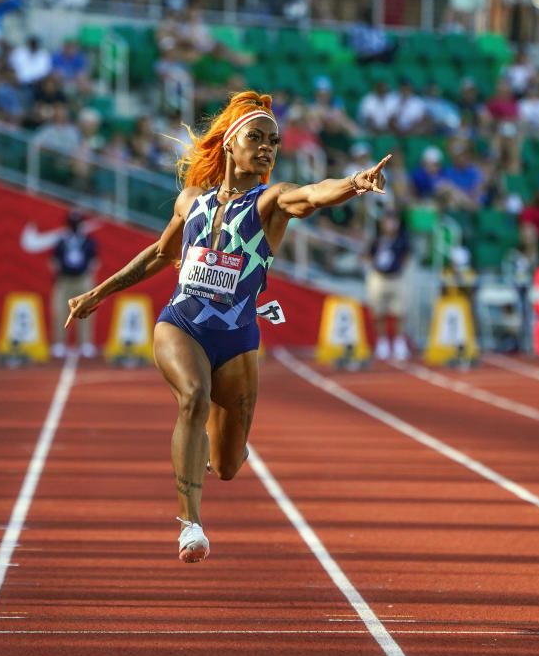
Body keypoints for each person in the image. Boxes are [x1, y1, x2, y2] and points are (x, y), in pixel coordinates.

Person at [66, 91, 390, 563]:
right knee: (193, 398)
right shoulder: (191, 200)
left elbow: (313, 193)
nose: (267, 149)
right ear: (229, 145)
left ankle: (206, 457)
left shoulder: (271, 202)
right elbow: (160, 255)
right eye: (256, 138)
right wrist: (100, 292)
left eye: (274, 142)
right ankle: (190, 525)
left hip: (237, 337)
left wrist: (355, 183)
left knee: (228, 463)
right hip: (182, 321)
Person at [50, 210, 99, 358]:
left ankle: (85, 343)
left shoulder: (88, 241)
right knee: (60, 311)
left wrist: (87, 274)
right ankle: (59, 343)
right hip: (64, 280)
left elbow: (94, 261)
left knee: (86, 311)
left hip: (83, 279)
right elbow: (54, 261)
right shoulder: (62, 241)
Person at [364, 209, 412, 361]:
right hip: (379, 277)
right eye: (388, 221)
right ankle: (382, 342)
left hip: (396, 277)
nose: (391, 224)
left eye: (393, 221)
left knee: (399, 312)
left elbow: (407, 255)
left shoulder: (402, 239)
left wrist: (401, 268)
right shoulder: (377, 238)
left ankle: (399, 343)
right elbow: (369, 253)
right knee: (378, 312)